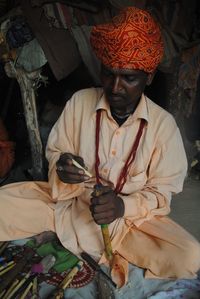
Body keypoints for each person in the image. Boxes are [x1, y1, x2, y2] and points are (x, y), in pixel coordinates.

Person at [0, 6, 200, 289]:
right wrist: (62, 167)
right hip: (68, 205)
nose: (115, 87)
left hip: (129, 224)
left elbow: (161, 193)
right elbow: (57, 152)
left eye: (129, 78)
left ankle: (106, 246)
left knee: (190, 256)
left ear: (149, 77)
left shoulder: (163, 126)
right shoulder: (80, 102)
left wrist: (122, 205)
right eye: (109, 74)